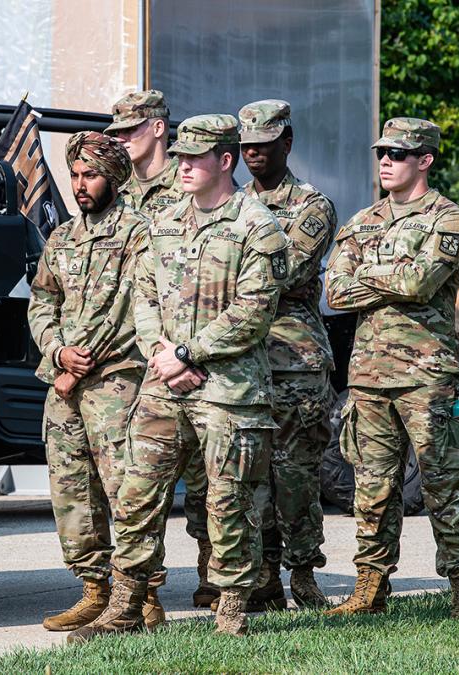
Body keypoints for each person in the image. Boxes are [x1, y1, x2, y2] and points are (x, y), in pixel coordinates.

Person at [70, 114, 288, 641]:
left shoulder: (258, 226)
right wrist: (163, 355)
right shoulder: (162, 223)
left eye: (195, 157)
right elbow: (141, 294)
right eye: (181, 156)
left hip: (229, 390)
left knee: (229, 500)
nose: (183, 165)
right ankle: (125, 605)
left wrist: (190, 352)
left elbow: (254, 309)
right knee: (136, 493)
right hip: (163, 384)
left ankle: (232, 606)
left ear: (225, 161)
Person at [325, 117, 459, 618]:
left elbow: (421, 284)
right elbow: (335, 291)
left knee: (445, 487)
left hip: (427, 378)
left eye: (398, 153)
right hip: (368, 378)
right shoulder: (362, 220)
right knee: (371, 490)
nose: (386, 162)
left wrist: (367, 275)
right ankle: (370, 590)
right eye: (382, 153)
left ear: (425, 160)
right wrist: (394, 274)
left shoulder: (450, 220)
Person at [28, 132, 153, 631]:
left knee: (126, 489)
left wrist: (83, 360)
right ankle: (94, 588)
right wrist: (58, 352)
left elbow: (133, 304)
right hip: (63, 381)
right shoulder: (61, 238)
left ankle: (142, 594)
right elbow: (41, 302)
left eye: (91, 175)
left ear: (115, 177)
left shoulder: (140, 233)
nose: (80, 185)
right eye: (75, 175)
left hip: (117, 380)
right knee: (71, 489)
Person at [107, 90, 216, 610]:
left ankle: (214, 580)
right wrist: (158, 352)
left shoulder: (191, 183)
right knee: (139, 478)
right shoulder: (119, 188)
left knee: (204, 482)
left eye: (129, 130)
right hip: (136, 353)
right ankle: (142, 594)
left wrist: (181, 356)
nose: (121, 140)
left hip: (189, 357)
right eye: (116, 132)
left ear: (157, 129)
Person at [236, 99, 337, 610]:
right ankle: (263, 578)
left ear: (286, 143)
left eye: (263, 144)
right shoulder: (232, 203)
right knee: (250, 474)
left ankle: (303, 575)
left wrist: (229, 278)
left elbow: (284, 272)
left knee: (295, 473)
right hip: (243, 356)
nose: (252, 152)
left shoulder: (311, 206)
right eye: (246, 145)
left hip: (295, 359)